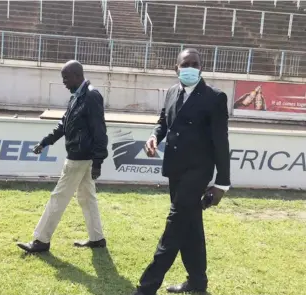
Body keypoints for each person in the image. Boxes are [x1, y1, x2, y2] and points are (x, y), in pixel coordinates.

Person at [132, 48, 231, 295]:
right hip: (175, 170)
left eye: (195, 64)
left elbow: (221, 141)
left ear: (201, 67)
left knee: (175, 225)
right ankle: (197, 283)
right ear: (176, 68)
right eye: (186, 64)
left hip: (198, 172)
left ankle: (146, 287)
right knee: (190, 226)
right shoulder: (172, 91)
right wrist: (153, 137)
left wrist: (222, 183)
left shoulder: (214, 97)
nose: (191, 68)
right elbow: (164, 122)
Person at [17, 60, 108, 253]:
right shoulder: (77, 96)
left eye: (66, 77)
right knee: (87, 197)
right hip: (80, 156)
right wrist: (44, 142)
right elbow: (64, 125)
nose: (64, 82)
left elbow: (100, 130)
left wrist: (98, 161)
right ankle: (97, 238)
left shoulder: (91, 96)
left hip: (80, 158)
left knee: (58, 197)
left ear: (77, 75)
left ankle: (41, 240)